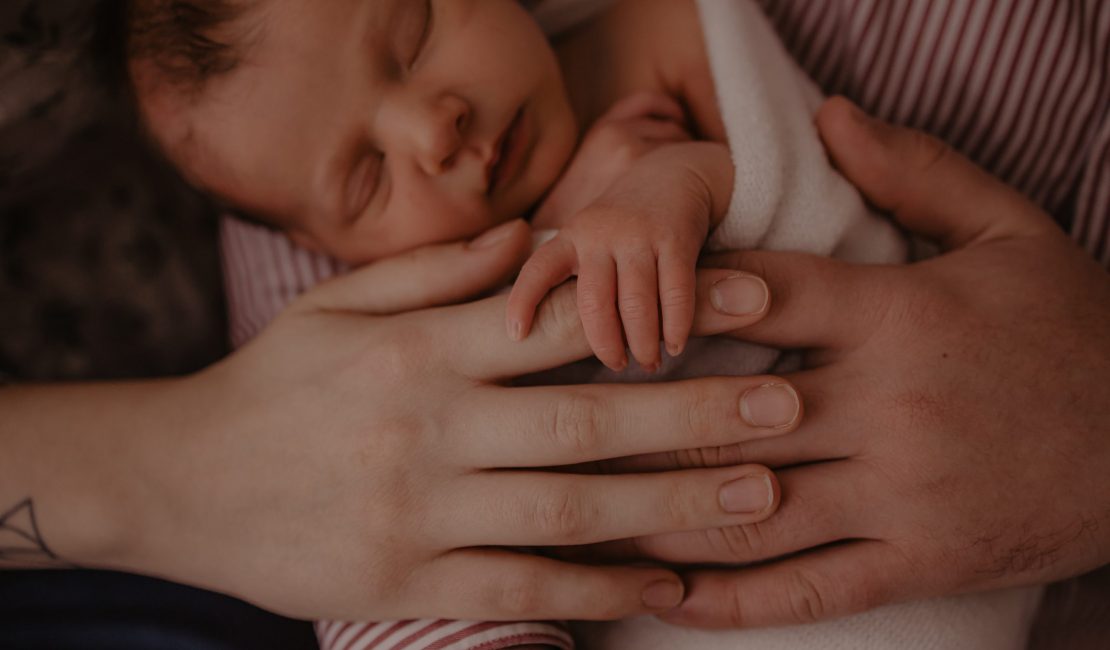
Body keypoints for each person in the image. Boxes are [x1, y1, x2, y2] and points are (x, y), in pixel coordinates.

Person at [3, 0, 1108, 647]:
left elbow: (806, 179)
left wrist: (688, 183)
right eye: (367, 176)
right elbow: (378, 547)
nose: (432, 126)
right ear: (323, 253)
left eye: (415, 32)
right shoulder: (393, 314)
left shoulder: (646, 49)